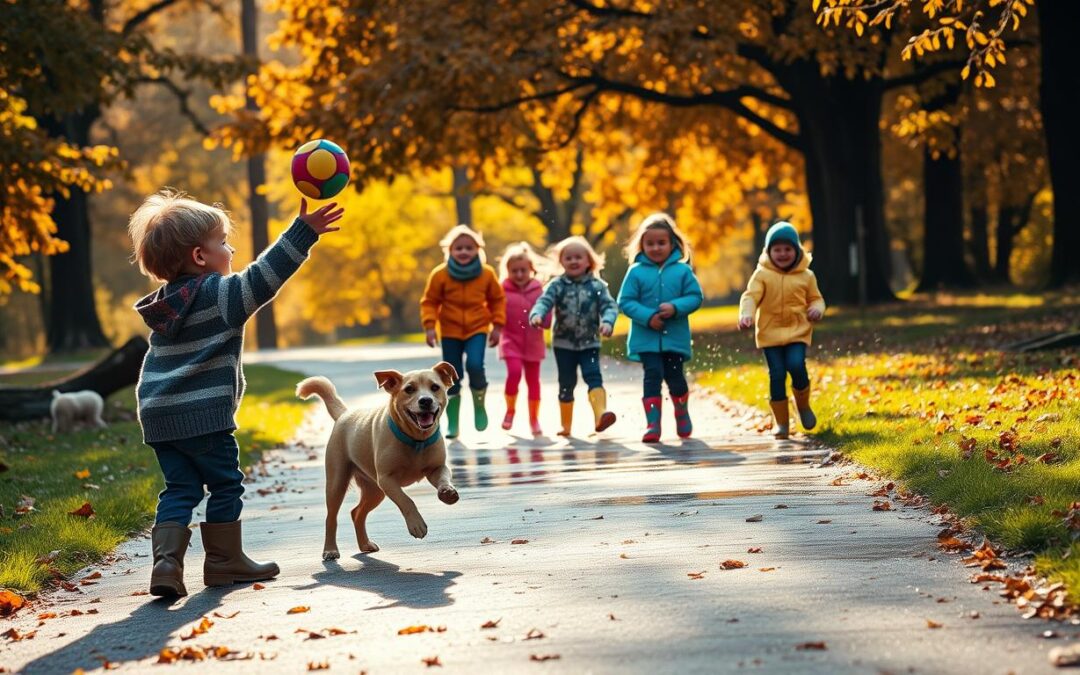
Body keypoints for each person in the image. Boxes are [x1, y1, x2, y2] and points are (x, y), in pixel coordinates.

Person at [129, 189, 343, 596]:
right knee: (225, 485)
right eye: (223, 242)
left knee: (180, 489)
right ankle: (225, 562)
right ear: (199, 257)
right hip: (203, 416)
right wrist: (302, 233)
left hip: (159, 416)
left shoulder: (165, 304)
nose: (231, 249)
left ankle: (166, 564)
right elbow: (266, 275)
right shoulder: (218, 294)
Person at [617, 213, 703, 442]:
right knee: (652, 375)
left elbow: (695, 296)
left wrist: (675, 307)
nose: (656, 248)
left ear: (673, 243)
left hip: (675, 338)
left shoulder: (683, 271)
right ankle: (652, 425)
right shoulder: (635, 272)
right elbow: (625, 302)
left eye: (661, 243)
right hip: (646, 338)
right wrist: (648, 317)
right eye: (650, 243)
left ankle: (681, 411)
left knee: (675, 377)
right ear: (642, 245)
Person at [738, 221, 825, 439]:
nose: (783, 254)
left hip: (797, 331)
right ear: (769, 252)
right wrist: (746, 314)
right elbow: (750, 296)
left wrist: (816, 309)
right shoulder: (762, 274)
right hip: (770, 334)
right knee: (776, 375)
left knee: (796, 365)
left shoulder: (807, 276)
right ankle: (782, 423)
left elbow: (816, 298)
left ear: (797, 250)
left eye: (788, 249)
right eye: (777, 249)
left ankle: (803, 406)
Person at [420, 224, 506, 438]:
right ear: (450, 251)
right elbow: (430, 301)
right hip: (449, 330)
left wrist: (498, 325)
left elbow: (497, 300)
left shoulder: (487, 274)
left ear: (478, 250)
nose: (464, 252)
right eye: (459, 248)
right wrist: (430, 326)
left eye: (469, 247)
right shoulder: (440, 274)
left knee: (475, 365)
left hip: (477, 327)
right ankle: (453, 423)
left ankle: (479, 406)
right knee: (451, 374)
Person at [529, 236, 618, 436]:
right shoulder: (557, 285)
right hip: (564, 344)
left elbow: (609, 306)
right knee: (566, 382)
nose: (574, 261)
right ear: (561, 262)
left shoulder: (597, 286)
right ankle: (566, 426)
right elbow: (544, 301)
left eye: (578, 257)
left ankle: (600, 415)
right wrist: (537, 314)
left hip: (590, 343)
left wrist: (608, 321)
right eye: (568, 258)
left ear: (589, 261)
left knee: (593, 376)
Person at [497, 242, 553, 436]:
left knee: (533, 381)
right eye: (514, 271)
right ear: (507, 271)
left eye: (523, 270)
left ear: (531, 269)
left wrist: (544, 320)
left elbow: (547, 317)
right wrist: (494, 330)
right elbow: (495, 313)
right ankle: (510, 410)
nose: (519, 275)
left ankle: (534, 418)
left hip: (533, 344)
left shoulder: (540, 291)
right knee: (513, 373)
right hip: (510, 341)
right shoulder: (501, 291)